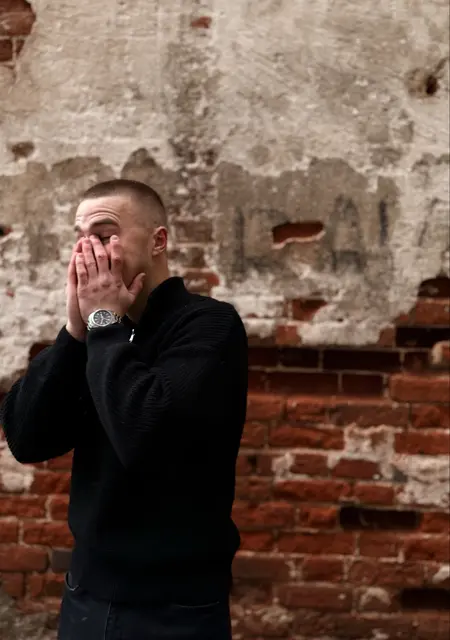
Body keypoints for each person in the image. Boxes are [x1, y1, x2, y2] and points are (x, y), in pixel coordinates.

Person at [0, 179, 248, 640]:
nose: (87, 249)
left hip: (175, 606)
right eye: (79, 236)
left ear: (158, 241)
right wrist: (74, 332)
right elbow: (26, 438)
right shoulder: (99, 333)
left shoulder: (209, 325)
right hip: (86, 594)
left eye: (103, 233)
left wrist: (103, 323)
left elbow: (144, 434)